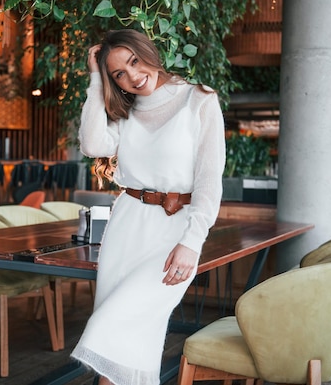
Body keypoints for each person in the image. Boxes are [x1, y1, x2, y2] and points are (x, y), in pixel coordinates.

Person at [70, 29, 226, 385]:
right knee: (134, 342)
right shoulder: (124, 110)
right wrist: (96, 80)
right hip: (127, 225)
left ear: (147, 52)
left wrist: (192, 242)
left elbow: (208, 180)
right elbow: (93, 144)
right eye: (118, 74)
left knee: (111, 326)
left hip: (175, 231)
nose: (133, 77)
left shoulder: (198, 100)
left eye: (134, 61)